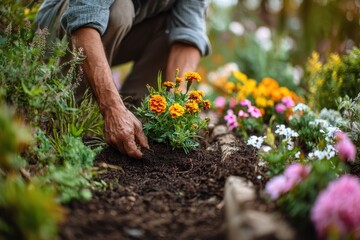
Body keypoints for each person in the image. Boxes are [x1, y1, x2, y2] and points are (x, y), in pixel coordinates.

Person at [35, 0, 211, 159]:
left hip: (123, 28)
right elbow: (84, 15)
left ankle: (138, 119)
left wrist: (176, 107)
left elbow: (189, 32)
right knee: (120, 11)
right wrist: (111, 108)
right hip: (57, 32)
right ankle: (67, 115)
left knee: (171, 28)